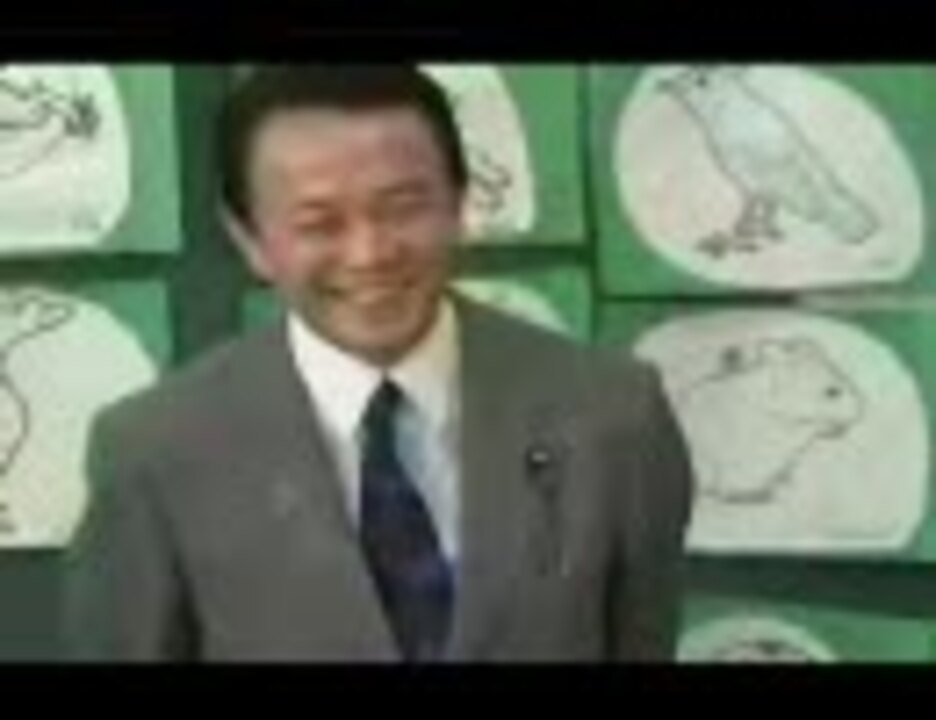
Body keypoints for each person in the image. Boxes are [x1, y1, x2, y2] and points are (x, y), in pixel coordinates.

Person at [63, 64, 694, 662]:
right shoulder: (155, 453)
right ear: (250, 240)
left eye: (402, 208)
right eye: (319, 223)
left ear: (458, 204)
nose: (369, 253)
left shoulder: (615, 416)